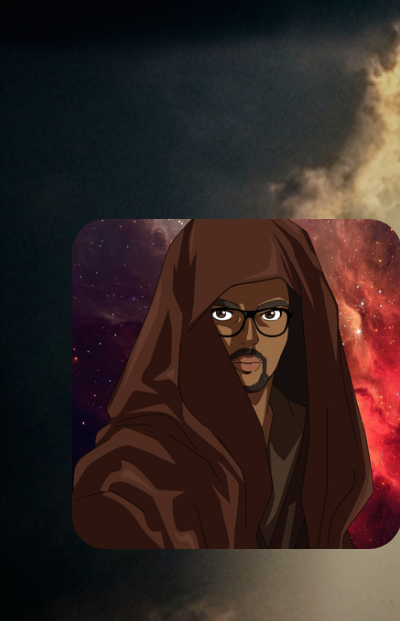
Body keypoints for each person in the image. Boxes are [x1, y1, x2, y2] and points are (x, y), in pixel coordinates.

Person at [73, 219, 373, 548]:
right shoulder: (152, 443)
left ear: (299, 318)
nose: (249, 337)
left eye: (270, 315)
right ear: (192, 319)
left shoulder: (318, 432)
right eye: (225, 315)